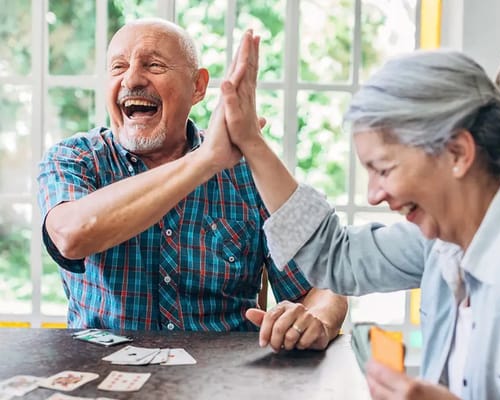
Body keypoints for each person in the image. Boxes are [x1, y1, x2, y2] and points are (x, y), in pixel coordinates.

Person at [217, 32, 500, 399]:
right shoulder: (447, 238)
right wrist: (252, 145)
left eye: (384, 169)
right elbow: (335, 257)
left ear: (458, 152)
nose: (375, 195)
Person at [36, 18, 347, 352]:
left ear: (198, 87)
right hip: (103, 375)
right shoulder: (75, 158)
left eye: (153, 65)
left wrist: (316, 320)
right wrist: (205, 161)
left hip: (222, 378)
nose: (132, 78)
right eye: (118, 67)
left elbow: (323, 285)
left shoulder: (250, 174)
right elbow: (71, 236)